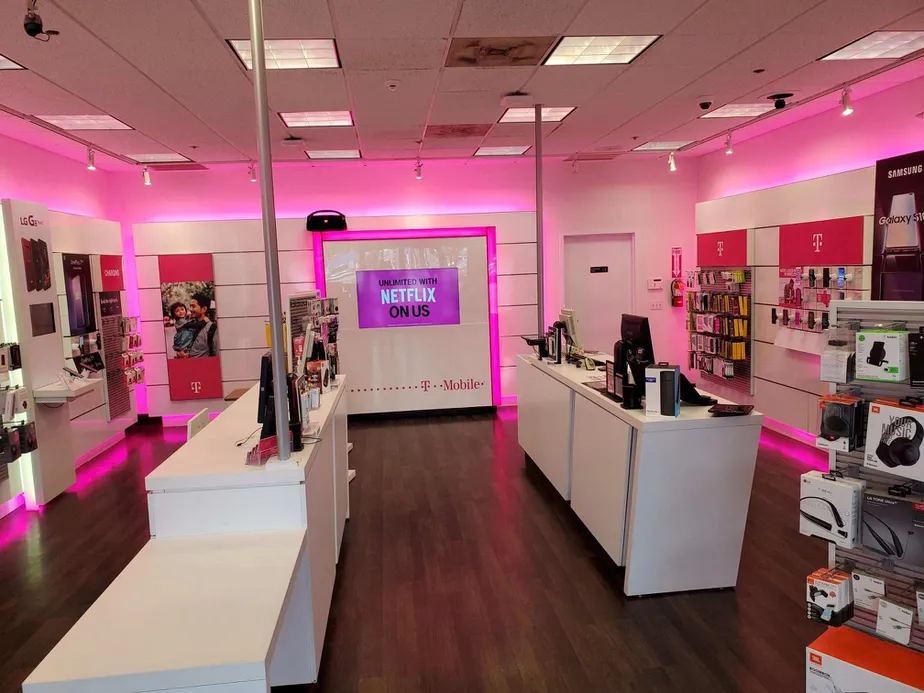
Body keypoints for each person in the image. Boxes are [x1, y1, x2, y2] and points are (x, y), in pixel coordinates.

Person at [176, 292, 218, 358]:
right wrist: (180, 353)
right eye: (190, 306)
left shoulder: (212, 328)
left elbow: (216, 355)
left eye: (193, 306)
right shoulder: (188, 324)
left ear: (204, 309)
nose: (190, 309)